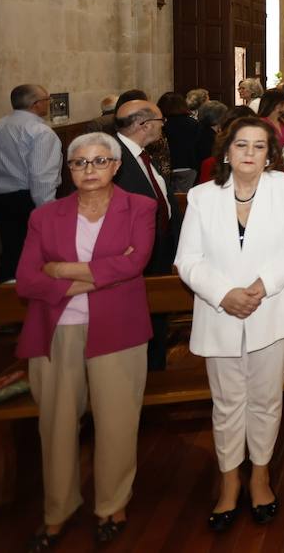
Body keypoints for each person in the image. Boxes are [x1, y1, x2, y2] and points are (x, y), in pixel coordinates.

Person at [15, 132, 156, 548]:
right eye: (80, 163)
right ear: (69, 169)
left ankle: (112, 503)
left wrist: (60, 271)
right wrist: (93, 275)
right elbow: (26, 279)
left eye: (99, 161)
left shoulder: (140, 207)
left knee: (117, 420)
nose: (89, 170)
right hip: (56, 330)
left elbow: (136, 262)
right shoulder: (45, 216)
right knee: (55, 425)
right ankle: (58, 509)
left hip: (119, 329)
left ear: (115, 166)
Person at [175, 117, 284, 531]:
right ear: (227, 151)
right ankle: (229, 480)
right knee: (227, 402)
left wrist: (259, 286)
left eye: (258, 146)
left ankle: (260, 475)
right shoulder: (202, 197)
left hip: (272, 309)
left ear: (270, 153)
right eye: (241, 145)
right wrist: (224, 294)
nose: (249, 153)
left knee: (266, 399)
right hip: (220, 312)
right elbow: (188, 259)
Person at [0, 83, 61, 281]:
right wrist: (48, 213)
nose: (49, 103)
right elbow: (41, 177)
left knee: (11, 251)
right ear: (36, 104)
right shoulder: (41, 132)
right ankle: (33, 300)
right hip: (30, 199)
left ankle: (6, 300)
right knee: (36, 254)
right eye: (47, 100)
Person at [111, 100, 180, 371]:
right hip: (135, 257)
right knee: (139, 327)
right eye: (161, 121)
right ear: (144, 125)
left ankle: (154, 371)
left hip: (157, 251)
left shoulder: (142, 154)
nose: (164, 126)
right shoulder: (113, 157)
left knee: (156, 321)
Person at [157, 92, 202, 193]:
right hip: (188, 166)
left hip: (166, 167)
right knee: (183, 201)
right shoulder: (193, 123)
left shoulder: (161, 124)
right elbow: (198, 146)